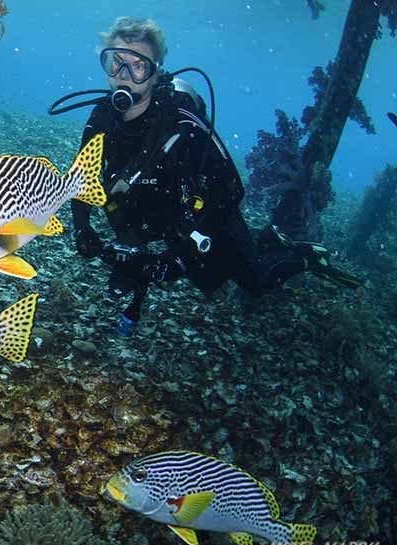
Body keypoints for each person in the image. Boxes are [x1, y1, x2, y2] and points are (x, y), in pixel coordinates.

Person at [70, 16, 361, 334]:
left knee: (254, 281)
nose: (124, 76)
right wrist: (82, 228)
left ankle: (305, 256)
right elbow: (81, 176)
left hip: (208, 214)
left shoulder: (183, 122)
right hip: (161, 214)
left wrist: (179, 257)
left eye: (137, 66)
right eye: (116, 63)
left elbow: (231, 191)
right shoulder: (101, 117)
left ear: (155, 73)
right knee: (142, 252)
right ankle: (266, 239)